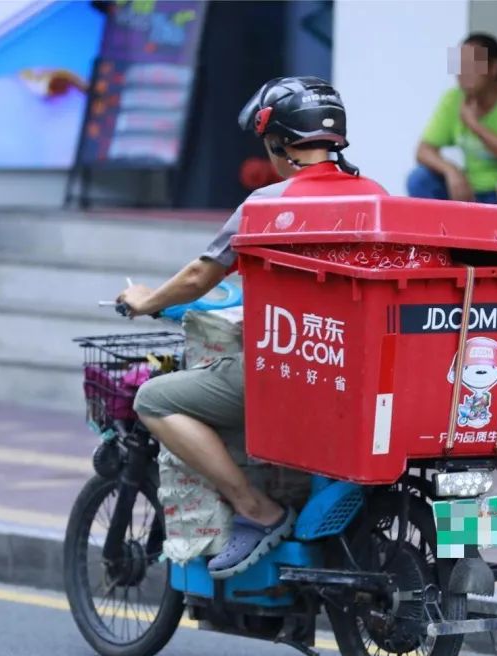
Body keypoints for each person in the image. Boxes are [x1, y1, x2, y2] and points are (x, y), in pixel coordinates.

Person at [116, 76, 387, 579]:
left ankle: (256, 509)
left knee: (153, 399)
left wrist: (146, 301)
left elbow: (199, 276)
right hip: (365, 377)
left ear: (279, 143)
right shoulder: (376, 197)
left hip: (296, 371)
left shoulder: (266, 205)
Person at [407, 33, 497, 204]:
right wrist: (451, 171)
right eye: (459, 66)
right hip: (469, 188)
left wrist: (475, 125)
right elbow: (423, 151)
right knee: (419, 179)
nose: (462, 74)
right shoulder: (454, 98)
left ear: (494, 68)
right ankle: (446, 222)